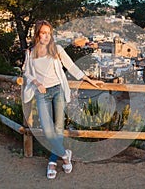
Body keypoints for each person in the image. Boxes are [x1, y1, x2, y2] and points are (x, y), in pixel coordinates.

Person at [23, 20, 104, 179]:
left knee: (58, 128)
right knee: (48, 130)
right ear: (37, 34)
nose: (46, 36)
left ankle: (52, 162)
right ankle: (66, 156)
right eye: (43, 33)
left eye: (49, 33)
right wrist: (37, 82)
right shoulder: (30, 52)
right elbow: (27, 72)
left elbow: (71, 66)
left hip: (58, 90)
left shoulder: (57, 49)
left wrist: (89, 80)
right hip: (42, 93)